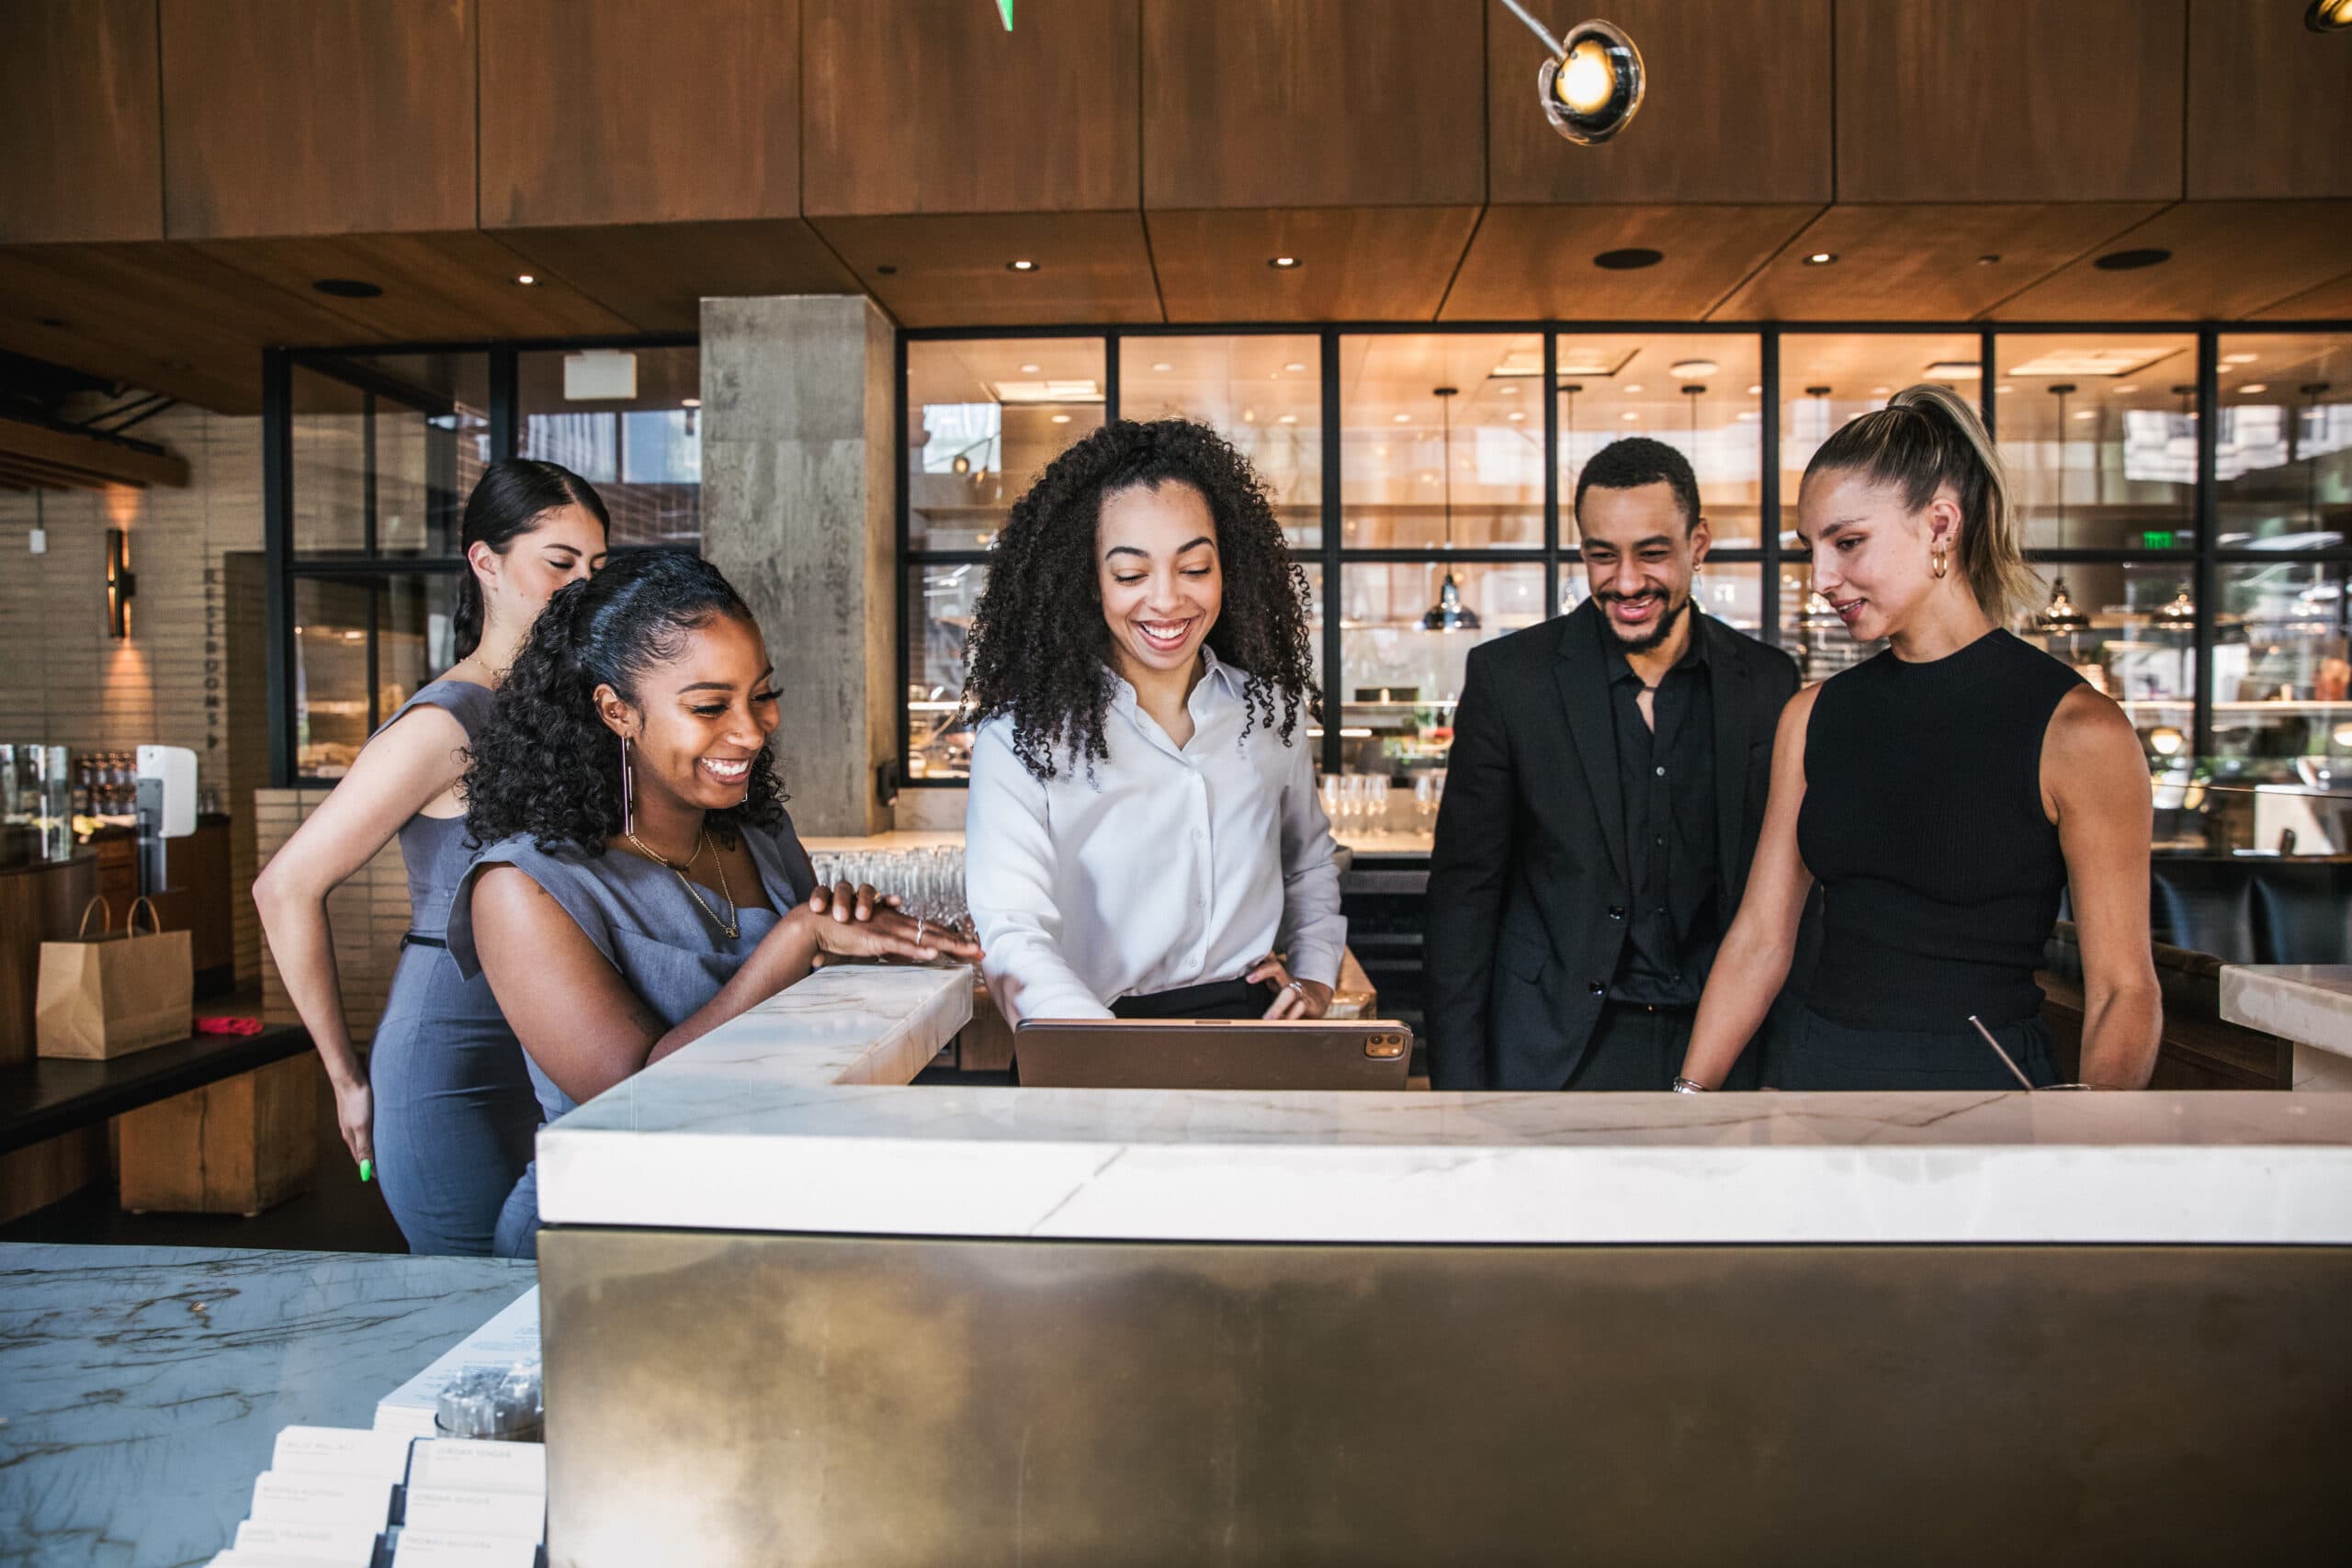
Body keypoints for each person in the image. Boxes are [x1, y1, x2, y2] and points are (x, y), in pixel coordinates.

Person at [447, 551, 980, 1258]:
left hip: (757, 1215)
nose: (755, 730)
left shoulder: (758, 833)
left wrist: (858, 940)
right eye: (709, 706)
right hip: (602, 1243)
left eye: (762, 694)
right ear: (616, 711)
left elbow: (802, 1037)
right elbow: (637, 1103)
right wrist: (796, 942)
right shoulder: (522, 886)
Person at [1675, 384, 2160, 1092]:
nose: (1821, 578)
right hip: (1820, 1084)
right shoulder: (1811, 717)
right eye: (1811, 548)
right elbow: (1760, 939)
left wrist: (2087, 1148)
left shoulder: (2080, 731)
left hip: (1985, 1097)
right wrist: (1686, 1105)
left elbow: (2124, 988)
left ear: (1940, 525)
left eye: (1848, 542)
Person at [254, 458, 608, 1255]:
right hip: (453, 1057)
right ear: (486, 563)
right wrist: (347, 1079)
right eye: (560, 563)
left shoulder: (568, 712)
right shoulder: (446, 722)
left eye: (596, 568)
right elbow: (285, 887)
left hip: (554, 1042)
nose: (583, 586)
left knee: (554, 1305)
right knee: (474, 1315)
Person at [1425, 437, 1802, 1091]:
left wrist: (1787, 1069)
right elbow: (1464, 900)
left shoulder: (1769, 684)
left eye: (1652, 553)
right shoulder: (1510, 680)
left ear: (1699, 545)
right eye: (1604, 555)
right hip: (1556, 1053)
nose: (1626, 582)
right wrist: (1459, 1097)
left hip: (1723, 1047)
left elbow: (1790, 902)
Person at [961, 418, 1345, 1023]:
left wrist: (1316, 975)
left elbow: (1309, 862)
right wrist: (1099, 1055)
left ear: (1228, 570)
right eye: (1131, 574)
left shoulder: (1272, 715)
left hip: (1251, 1033)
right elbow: (1013, 932)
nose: (1167, 600)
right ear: (1088, 582)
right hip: (1086, 1032)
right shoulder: (1019, 744)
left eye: (1194, 568)